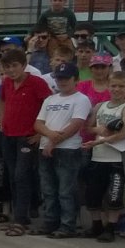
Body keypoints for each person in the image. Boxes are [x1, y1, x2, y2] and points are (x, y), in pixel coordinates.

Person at [0, 49, 54, 237]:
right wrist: (2, 121)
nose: (11, 70)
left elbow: (49, 105)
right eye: (7, 67)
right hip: (9, 135)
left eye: (14, 66)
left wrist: (39, 133)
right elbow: (2, 101)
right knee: (12, 176)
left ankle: (19, 220)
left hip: (27, 136)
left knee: (22, 176)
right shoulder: (7, 83)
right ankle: (21, 216)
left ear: (23, 65)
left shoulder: (37, 82)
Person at [31, 63, 93, 238]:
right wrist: (50, 136)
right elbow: (38, 123)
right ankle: (50, 222)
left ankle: (68, 225)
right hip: (46, 147)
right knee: (48, 189)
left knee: (66, 190)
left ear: (76, 80)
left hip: (68, 149)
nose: (62, 81)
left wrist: (52, 141)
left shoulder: (81, 99)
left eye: (66, 78)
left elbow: (75, 124)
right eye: (59, 78)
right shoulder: (50, 99)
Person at [81, 71, 125, 242]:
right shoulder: (100, 106)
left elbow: (123, 134)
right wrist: (99, 130)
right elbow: (89, 127)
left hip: (116, 159)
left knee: (114, 195)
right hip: (98, 157)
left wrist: (99, 141)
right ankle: (96, 225)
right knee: (93, 193)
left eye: (121, 86)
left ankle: (110, 227)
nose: (117, 89)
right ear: (108, 86)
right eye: (114, 86)